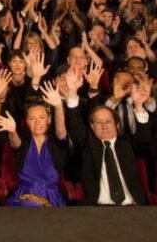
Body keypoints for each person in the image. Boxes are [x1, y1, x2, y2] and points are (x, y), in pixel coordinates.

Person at [65, 70, 152, 205]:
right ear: (92, 126)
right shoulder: (88, 144)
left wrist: (139, 105)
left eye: (108, 122)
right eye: (99, 122)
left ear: (116, 125)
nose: (104, 126)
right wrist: (72, 91)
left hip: (132, 207)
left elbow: (145, 139)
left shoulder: (127, 143)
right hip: (99, 210)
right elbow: (74, 124)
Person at [0, 84, 68, 207]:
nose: (37, 123)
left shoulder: (56, 142)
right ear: (27, 121)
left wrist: (58, 107)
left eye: (42, 117)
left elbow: (61, 131)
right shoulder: (23, 140)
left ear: (49, 119)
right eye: (32, 118)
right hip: (24, 195)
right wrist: (12, 131)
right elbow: (15, 143)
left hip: (51, 198)